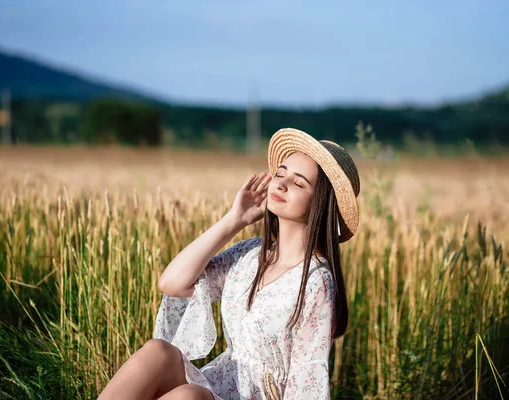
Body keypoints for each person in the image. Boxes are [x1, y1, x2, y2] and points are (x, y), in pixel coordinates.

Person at [98, 127, 361, 400]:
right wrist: (234, 220)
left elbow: (307, 378)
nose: (280, 184)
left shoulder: (315, 281)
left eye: (298, 183)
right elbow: (172, 283)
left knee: (188, 397)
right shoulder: (250, 256)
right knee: (157, 352)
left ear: (321, 202)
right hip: (221, 385)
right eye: (280, 174)